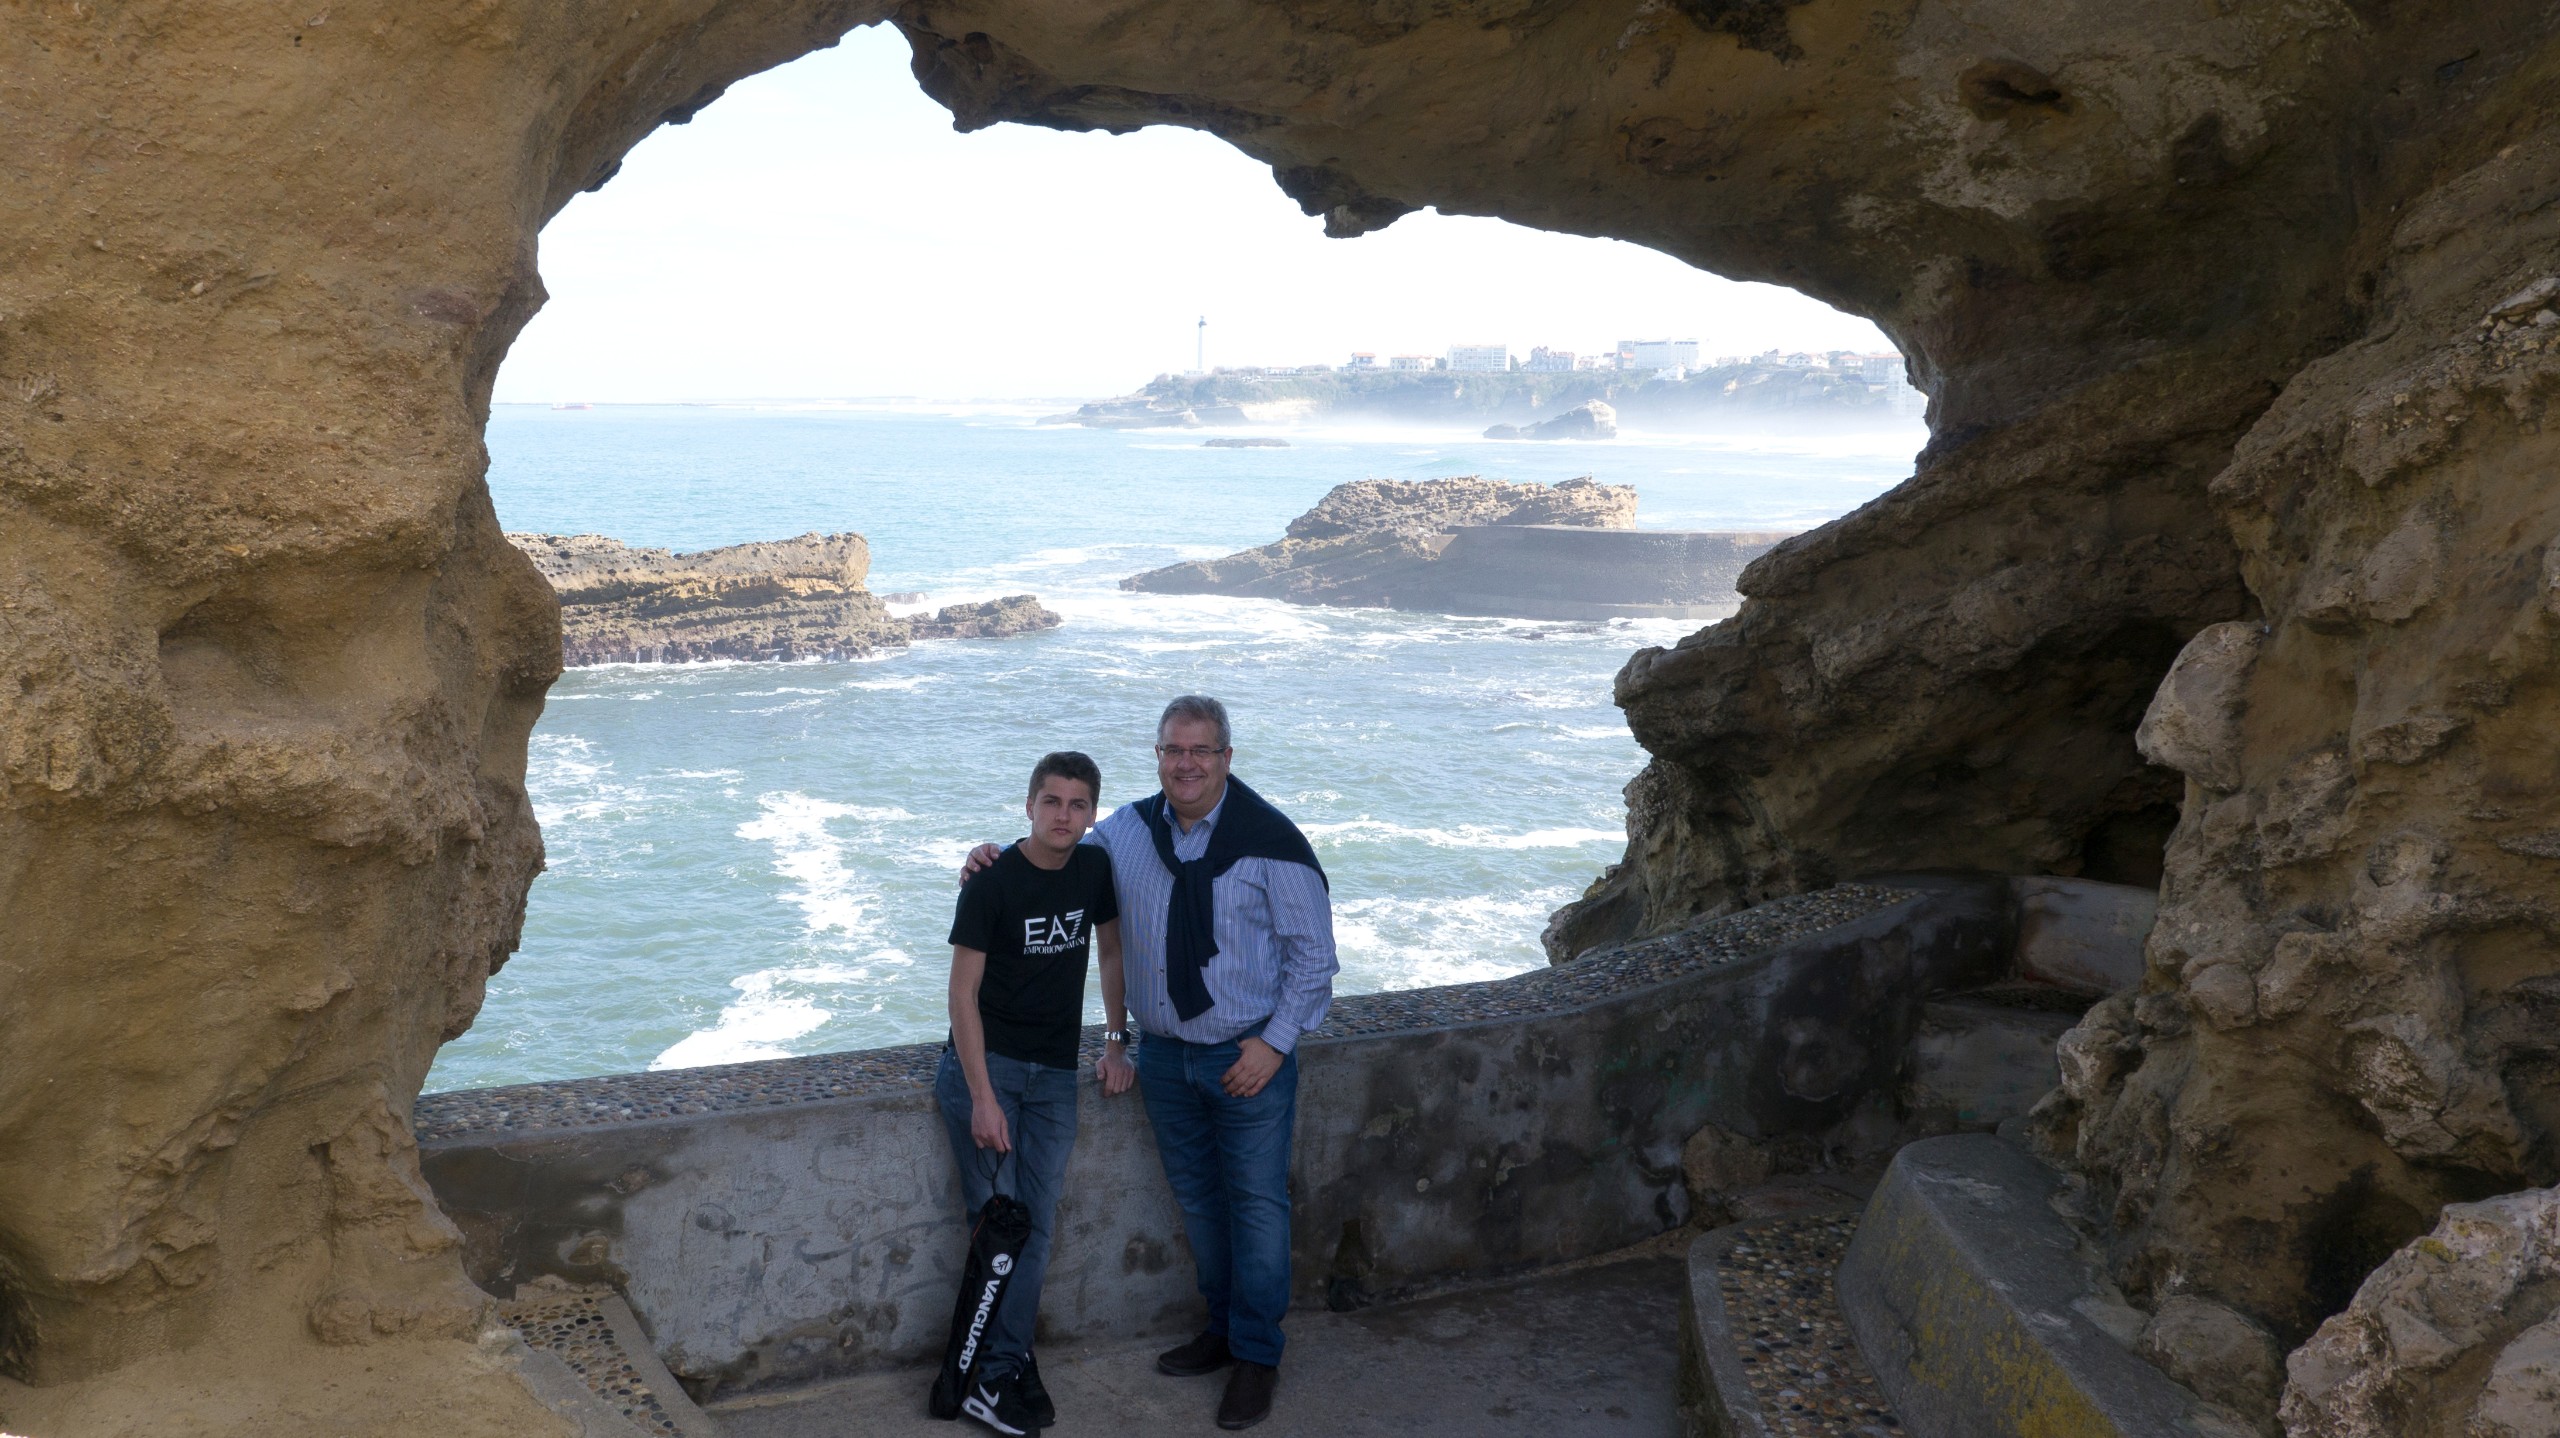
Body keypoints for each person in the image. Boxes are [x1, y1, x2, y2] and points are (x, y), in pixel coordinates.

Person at [967, 696, 1336, 1431]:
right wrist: (992, 857)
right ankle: (1222, 1331)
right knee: (1199, 1205)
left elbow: (1313, 958)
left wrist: (1274, 1043)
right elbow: (1058, 842)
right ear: (1158, 756)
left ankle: (1257, 1357)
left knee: (1257, 1208)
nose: (1186, 764)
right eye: (1174, 750)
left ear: (1226, 757)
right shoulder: (1128, 833)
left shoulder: (1272, 841)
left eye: (1202, 751)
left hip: (1246, 1057)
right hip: (1164, 1058)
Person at [938, 750, 1136, 1436]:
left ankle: (1005, 1364)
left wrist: (1116, 1040)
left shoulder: (1094, 869)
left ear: (1092, 815)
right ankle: (994, 1377)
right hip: (988, 1070)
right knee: (1001, 1225)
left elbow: (1111, 951)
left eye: (1078, 805)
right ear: (1029, 806)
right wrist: (981, 1096)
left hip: (1053, 1076)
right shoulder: (991, 883)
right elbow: (961, 996)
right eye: (1052, 801)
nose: (1063, 815)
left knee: (1037, 1227)